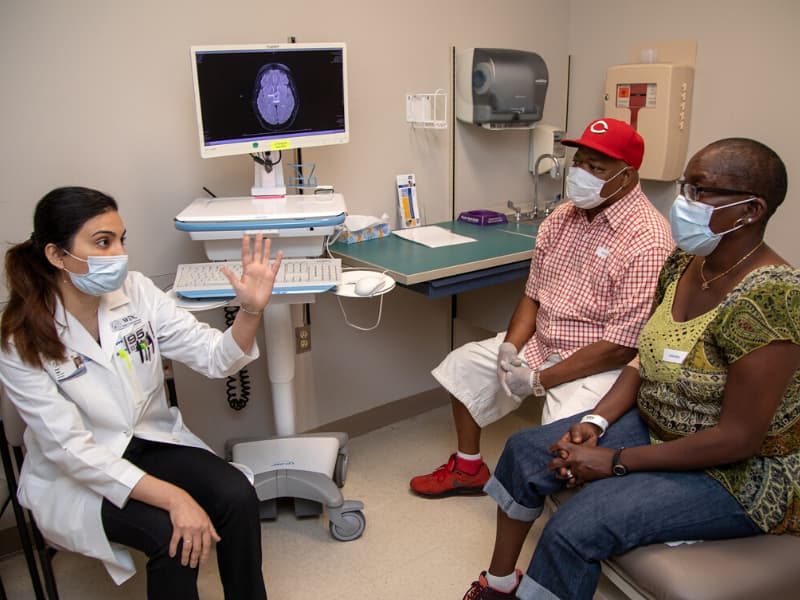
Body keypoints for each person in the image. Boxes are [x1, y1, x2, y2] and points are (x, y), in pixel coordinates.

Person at [462, 137, 800, 600]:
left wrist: (615, 461)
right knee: (523, 452)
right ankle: (499, 587)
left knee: (576, 525)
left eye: (700, 191)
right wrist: (596, 423)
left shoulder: (773, 299)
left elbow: (738, 439)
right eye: (686, 186)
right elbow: (646, 355)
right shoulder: (686, 263)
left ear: (750, 210)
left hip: (738, 471)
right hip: (659, 424)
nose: (683, 202)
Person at [0, 187, 282, 599]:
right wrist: (175, 498)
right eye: (102, 242)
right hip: (78, 471)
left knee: (237, 495)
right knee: (172, 535)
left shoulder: (136, 292)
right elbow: (69, 448)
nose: (118, 253)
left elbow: (213, 357)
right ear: (57, 256)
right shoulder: (19, 338)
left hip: (147, 439)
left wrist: (251, 310)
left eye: (120, 239)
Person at [410, 118, 674, 498]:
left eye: (597, 168)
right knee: (464, 365)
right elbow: (533, 295)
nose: (581, 174)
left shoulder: (648, 240)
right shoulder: (562, 218)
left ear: (628, 177)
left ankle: (567, 520)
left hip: (600, 364)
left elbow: (624, 346)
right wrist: (510, 349)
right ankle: (468, 469)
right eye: (579, 162)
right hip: (543, 344)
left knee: (559, 445)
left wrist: (539, 381)